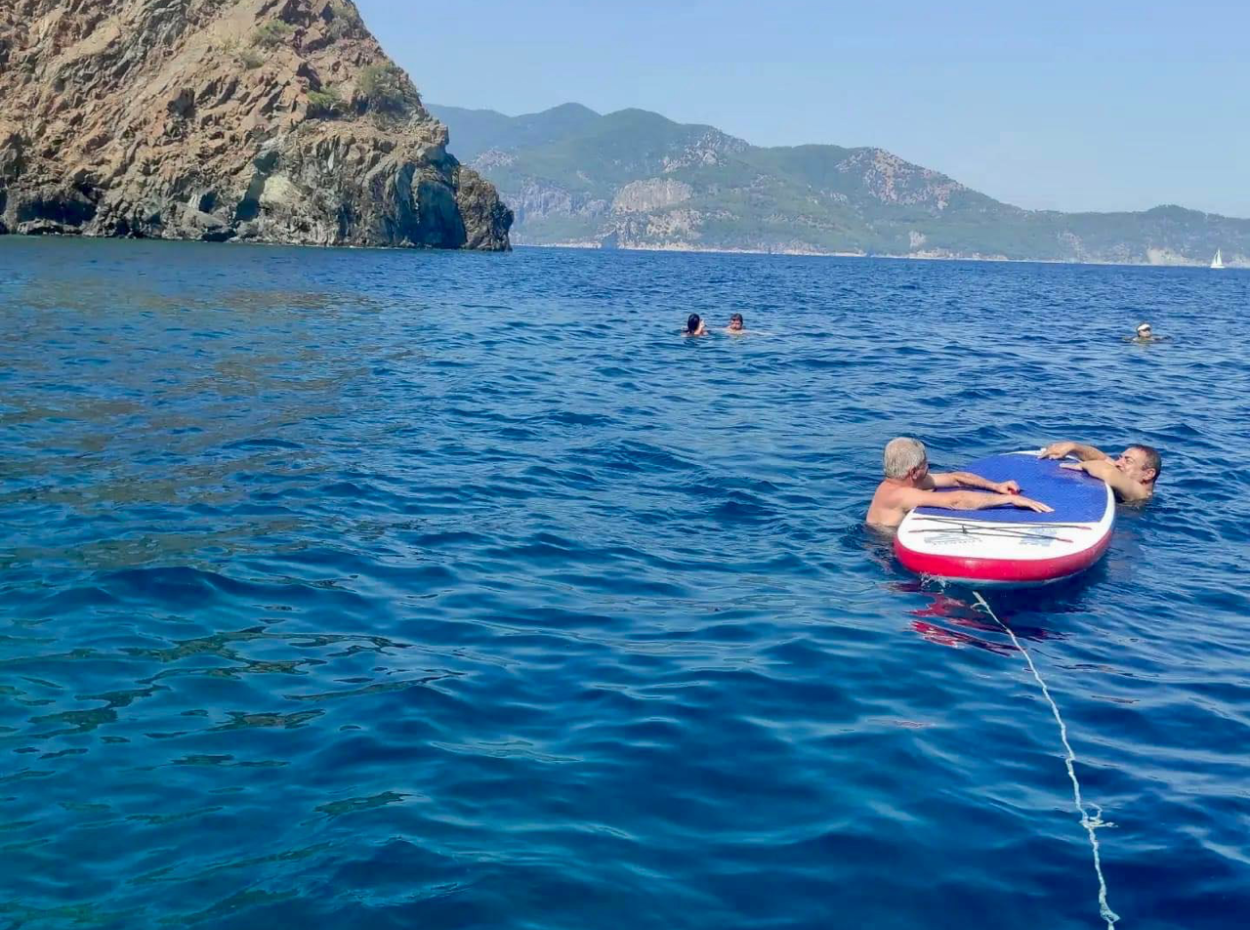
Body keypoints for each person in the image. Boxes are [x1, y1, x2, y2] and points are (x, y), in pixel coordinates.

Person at [866, 437, 1054, 528]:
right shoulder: (900, 495)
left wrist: (995, 486)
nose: (929, 467)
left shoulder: (906, 483)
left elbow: (955, 478)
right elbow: (955, 501)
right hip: (885, 548)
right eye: (925, 464)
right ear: (913, 472)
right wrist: (1009, 500)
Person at [1039, 441, 1160, 502]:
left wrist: (1081, 465)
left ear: (1148, 474)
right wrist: (1073, 447)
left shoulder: (1140, 492)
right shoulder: (1125, 474)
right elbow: (1101, 459)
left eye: (1128, 461)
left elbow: (1107, 471)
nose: (1118, 463)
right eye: (1120, 458)